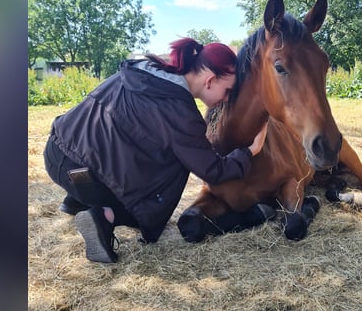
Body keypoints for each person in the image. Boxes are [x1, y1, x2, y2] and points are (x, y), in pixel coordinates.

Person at [43, 38, 267, 263]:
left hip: (55, 154)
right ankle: (104, 215)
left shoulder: (142, 72)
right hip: (87, 172)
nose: (226, 99)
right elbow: (213, 170)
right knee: (168, 175)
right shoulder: (181, 114)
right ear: (210, 80)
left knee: (123, 147)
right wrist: (251, 151)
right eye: (227, 91)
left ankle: (78, 197)